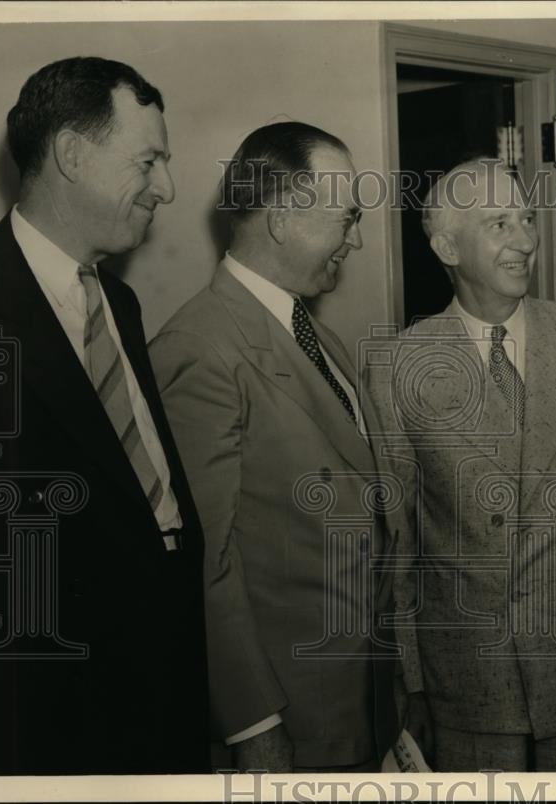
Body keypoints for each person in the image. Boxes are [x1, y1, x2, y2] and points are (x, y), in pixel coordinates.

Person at [364, 158, 556, 772]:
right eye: (499, 223)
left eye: (527, 219)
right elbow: (397, 542)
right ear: (447, 244)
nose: (526, 240)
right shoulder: (398, 367)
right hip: (469, 687)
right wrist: (411, 683)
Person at [0, 56, 209, 774]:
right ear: (72, 154)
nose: (167, 189)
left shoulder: (121, 304)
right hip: (53, 720)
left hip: (163, 687)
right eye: (149, 161)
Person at [150, 122, 400, 773]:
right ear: (285, 216)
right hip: (287, 727)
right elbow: (207, 564)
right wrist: (253, 726)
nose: (359, 239)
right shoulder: (199, 349)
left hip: (356, 711)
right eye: (347, 219)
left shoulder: (318, 338)